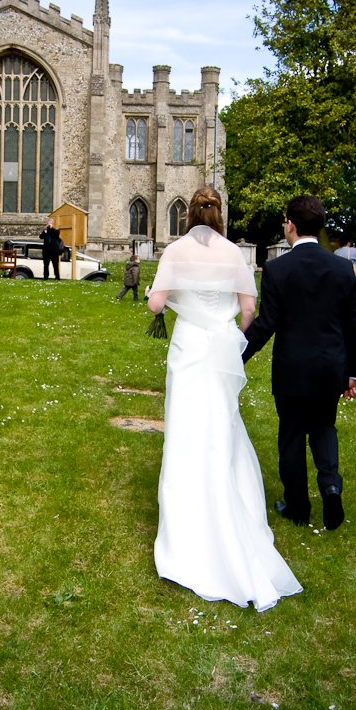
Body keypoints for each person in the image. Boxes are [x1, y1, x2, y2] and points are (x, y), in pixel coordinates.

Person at [148, 186, 302, 611]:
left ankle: (186, 528)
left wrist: (167, 300)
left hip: (189, 348)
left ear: (189, 215)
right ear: (219, 215)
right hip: (220, 348)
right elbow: (248, 311)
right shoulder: (235, 254)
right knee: (221, 425)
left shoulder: (176, 251)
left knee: (184, 429)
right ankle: (228, 506)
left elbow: (156, 305)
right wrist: (227, 327)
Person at [243, 195, 356, 532]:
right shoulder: (342, 268)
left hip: (292, 369)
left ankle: (297, 507)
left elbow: (266, 324)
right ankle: (330, 486)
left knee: (293, 435)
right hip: (331, 368)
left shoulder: (277, 268)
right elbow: (353, 324)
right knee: (325, 427)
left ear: (291, 226)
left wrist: (236, 354)